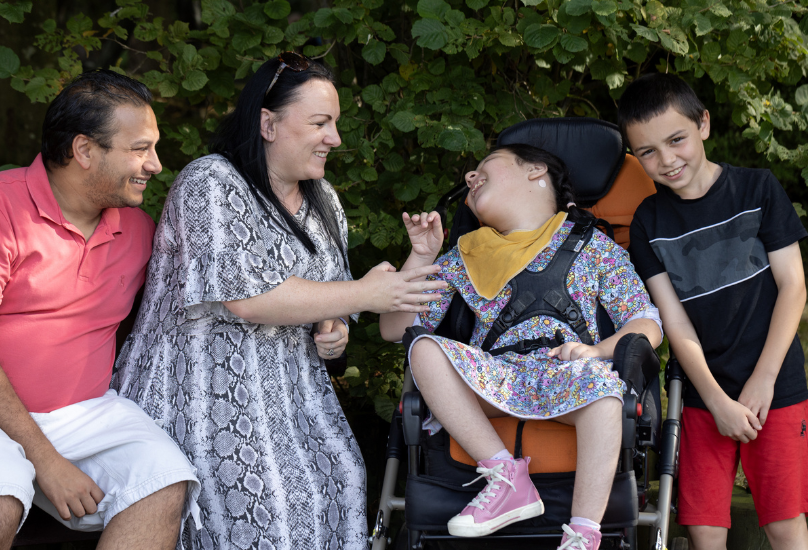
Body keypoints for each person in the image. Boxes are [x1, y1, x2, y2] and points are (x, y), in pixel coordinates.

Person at [111, 52, 445, 550]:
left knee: (346, 479)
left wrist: (338, 324)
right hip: (200, 397)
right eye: (319, 122)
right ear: (268, 123)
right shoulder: (211, 182)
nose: (334, 137)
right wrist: (363, 294)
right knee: (274, 508)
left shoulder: (322, 200)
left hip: (295, 401)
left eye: (335, 123)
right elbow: (248, 298)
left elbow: (337, 304)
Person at [0, 70, 196, 549]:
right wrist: (46, 462)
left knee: (163, 482)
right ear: (84, 150)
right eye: (140, 148)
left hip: (78, 413)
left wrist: (324, 311)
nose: (155, 164)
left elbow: (223, 280)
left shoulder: (137, 229)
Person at [379, 143, 663, 550]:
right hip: (498, 379)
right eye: (469, 175)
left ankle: (583, 535)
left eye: (485, 168)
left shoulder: (593, 246)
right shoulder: (464, 256)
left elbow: (646, 323)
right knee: (423, 348)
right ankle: (506, 476)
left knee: (606, 392)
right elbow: (395, 329)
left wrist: (597, 352)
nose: (470, 178)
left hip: (567, 376)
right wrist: (421, 257)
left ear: (535, 172)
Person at [620, 73, 808, 550]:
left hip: (777, 382)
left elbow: (794, 287)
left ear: (703, 124)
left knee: (784, 522)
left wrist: (764, 378)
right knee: (705, 529)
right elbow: (673, 319)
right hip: (701, 395)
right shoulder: (649, 222)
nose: (666, 160)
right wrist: (718, 400)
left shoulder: (758, 190)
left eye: (676, 139)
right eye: (647, 152)